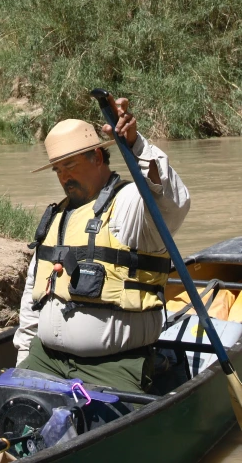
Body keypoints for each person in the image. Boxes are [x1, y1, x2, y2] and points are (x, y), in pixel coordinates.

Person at [14, 96, 190, 392]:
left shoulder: (132, 204)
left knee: (91, 431)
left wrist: (136, 145)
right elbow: (34, 298)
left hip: (114, 366)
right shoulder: (56, 218)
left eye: (69, 164)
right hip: (45, 359)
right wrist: (22, 360)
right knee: (5, 412)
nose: (64, 176)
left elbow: (174, 201)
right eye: (57, 168)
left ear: (97, 156)